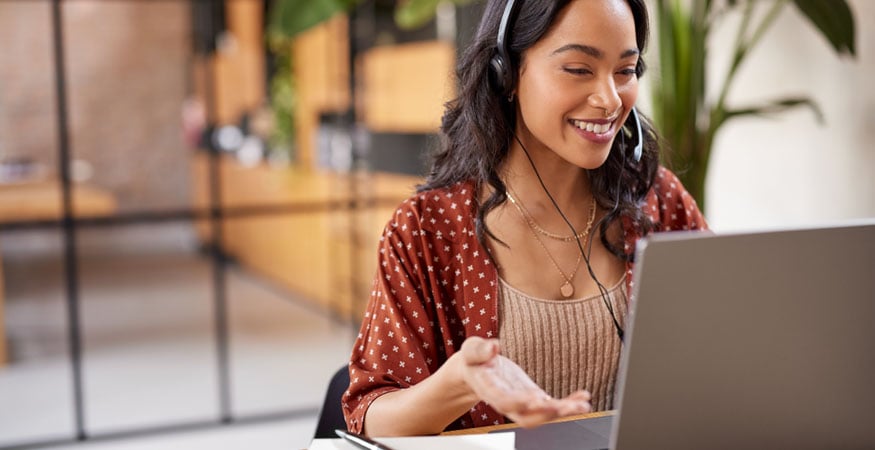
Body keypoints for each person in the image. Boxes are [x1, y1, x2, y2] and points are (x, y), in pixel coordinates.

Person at [342, 0, 707, 436]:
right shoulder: (425, 230)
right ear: (507, 73)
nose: (609, 98)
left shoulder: (660, 204)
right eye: (578, 69)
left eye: (625, 71)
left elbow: (724, 352)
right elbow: (370, 417)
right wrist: (459, 384)